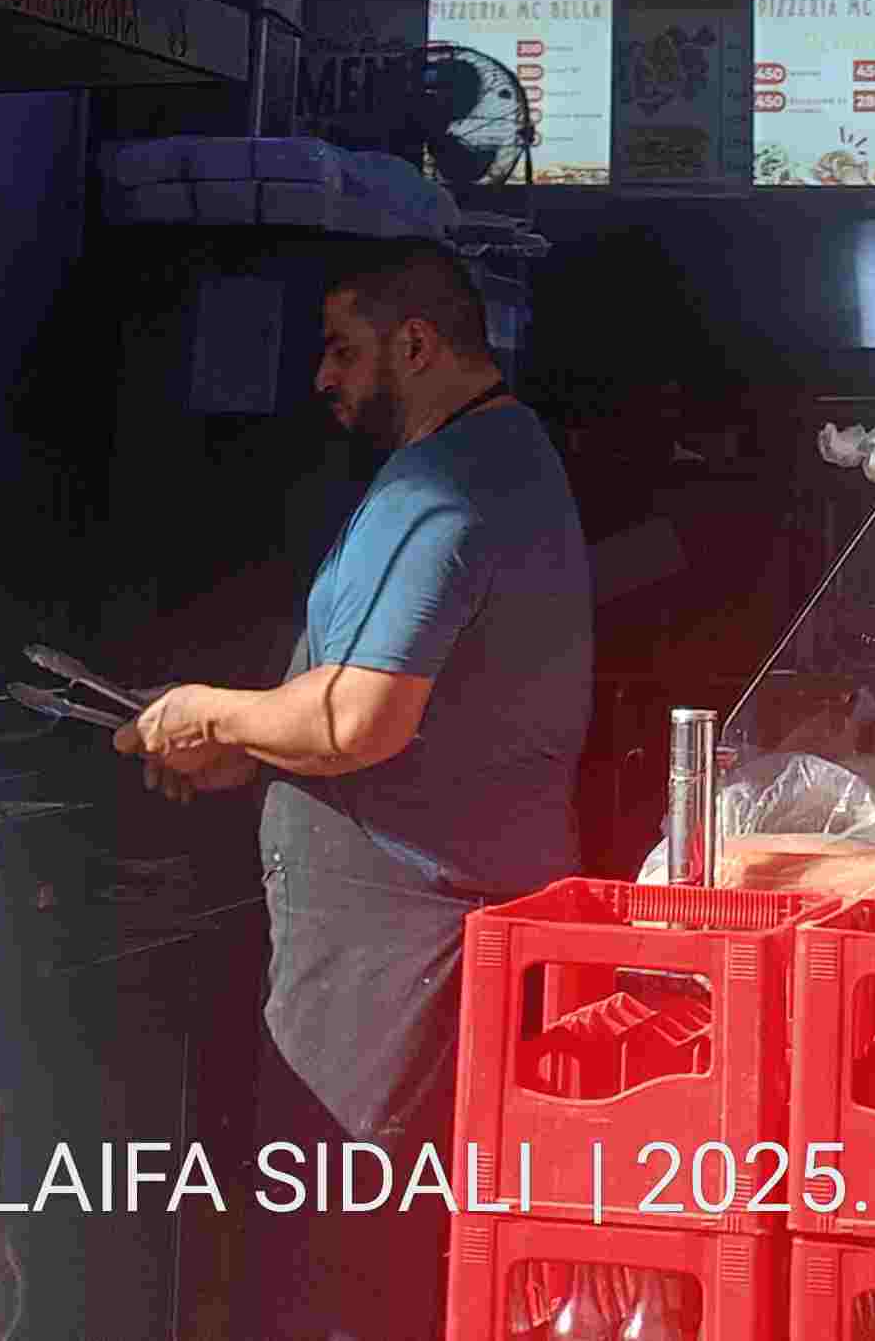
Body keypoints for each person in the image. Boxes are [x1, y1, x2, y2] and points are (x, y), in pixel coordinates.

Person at [123, 242, 591, 1339]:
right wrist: (257, 749)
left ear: (415, 344)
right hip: (428, 917)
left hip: (398, 934)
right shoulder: (499, 458)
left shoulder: (446, 488)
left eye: (343, 349)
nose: (323, 378)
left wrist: (208, 710)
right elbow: (387, 708)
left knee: (345, 1246)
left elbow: (356, 719)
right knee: (389, 1242)